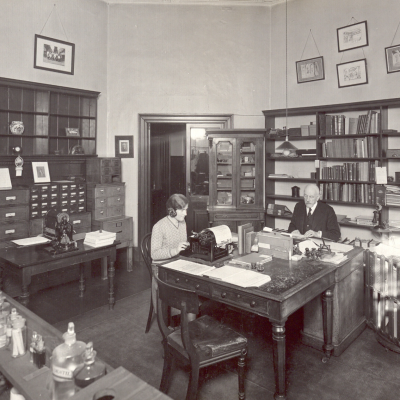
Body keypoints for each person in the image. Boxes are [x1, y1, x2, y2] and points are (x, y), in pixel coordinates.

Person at [151, 193, 190, 260]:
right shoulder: (159, 226)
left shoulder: (182, 222)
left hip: (178, 260)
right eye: (182, 210)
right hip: (163, 263)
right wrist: (175, 250)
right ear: (172, 210)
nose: (185, 213)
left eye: (186, 209)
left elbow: (181, 245)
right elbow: (154, 255)